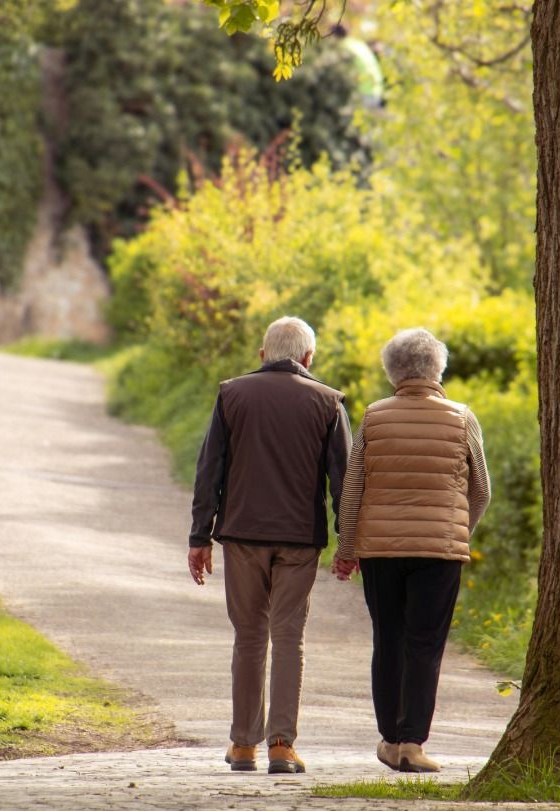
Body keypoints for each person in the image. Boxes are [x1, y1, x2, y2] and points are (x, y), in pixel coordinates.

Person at [188, 316, 352, 774]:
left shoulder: (231, 394)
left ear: (263, 355)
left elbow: (210, 471)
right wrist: (348, 541)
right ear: (307, 358)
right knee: (288, 638)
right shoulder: (328, 402)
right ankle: (281, 744)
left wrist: (200, 536)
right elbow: (345, 481)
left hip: (241, 534)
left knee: (249, 637)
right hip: (300, 539)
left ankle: (243, 745)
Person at [332, 328, 490, 773]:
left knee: (389, 639)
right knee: (425, 644)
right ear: (437, 369)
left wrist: (347, 547)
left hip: (380, 552)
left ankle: (389, 739)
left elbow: (353, 490)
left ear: (392, 371)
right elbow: (481, 490)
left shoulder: (375, 417)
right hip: (440, 552)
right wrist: (457, 530)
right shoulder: (462, 418)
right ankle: (412, 744)